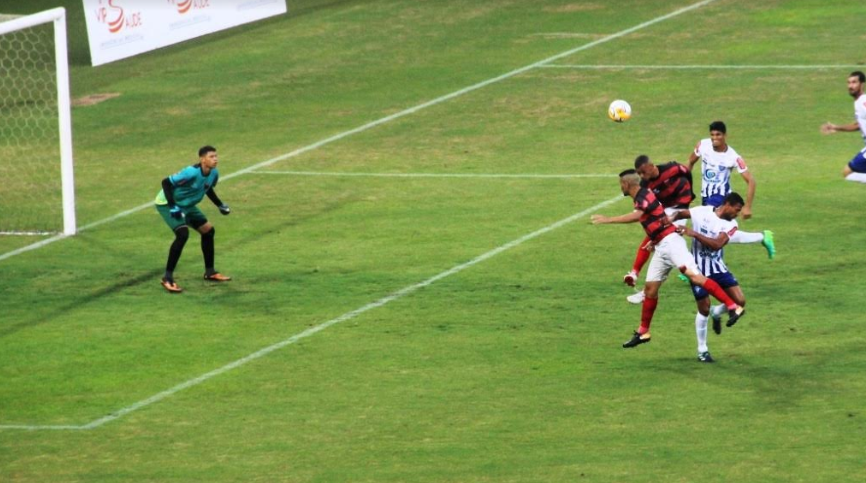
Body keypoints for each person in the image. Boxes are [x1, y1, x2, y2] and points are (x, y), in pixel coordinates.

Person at [591, 168, 745, 349]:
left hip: (671, 243)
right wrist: (654, 240)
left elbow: (639, 216)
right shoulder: (643, 196)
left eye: (621, 184)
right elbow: (656, 218)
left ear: (626, 184)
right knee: (650, 290)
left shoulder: (643, 197)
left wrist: (609, 219)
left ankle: (733, 307)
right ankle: (643, 332)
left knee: (695, 276)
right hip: (661, 245)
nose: (621, 188)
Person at [670, 192, 748, 363]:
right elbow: (680, 213)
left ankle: (717, 312)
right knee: (703, 308)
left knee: (740, 301)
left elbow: (717, 245)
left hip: (717, 267)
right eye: (736, 210)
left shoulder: (731, 225)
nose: (737, 214)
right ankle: (702, 350)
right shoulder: (703, 211)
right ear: (727, 204)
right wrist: (671, 223)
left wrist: (693, 233)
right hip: (696, 269)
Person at [687, 121, 775, 259]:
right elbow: (691, 161)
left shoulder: (733, 157)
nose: (715, 138)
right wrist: (686, 185)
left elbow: (751, 181)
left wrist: (747, 207)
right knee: (715, 233)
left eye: (718, 135)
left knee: (708, 231)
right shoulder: (703, 145)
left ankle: (694, 268)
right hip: (706, 196)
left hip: (720, 197)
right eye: (712, 135)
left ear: (725, 135)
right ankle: (762, 237)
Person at [155, 145, 232, 293]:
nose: (215, 159)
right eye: (211, 157)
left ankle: (210, 272)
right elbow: (166, 182)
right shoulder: (190, 172)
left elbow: (207, 188)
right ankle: (167, 278)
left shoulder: (213, 173)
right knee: (182, 234)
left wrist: (220, 205)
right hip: (168, 203)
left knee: (208, 231)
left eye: (216, 156)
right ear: (202, 159)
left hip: (187, 205)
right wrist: (172, 207)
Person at [621, 155, 694, 304]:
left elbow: (686, 171)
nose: (642, 176)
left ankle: (640, 282)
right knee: (654, 240)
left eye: (643, 172)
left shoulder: (671, 168)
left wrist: (689, 193)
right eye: (639, 173)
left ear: (651, 166)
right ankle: (638, 278)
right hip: (666, 210)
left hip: (679, 209)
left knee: (657, 242)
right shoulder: (645, 184)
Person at [820, 71, 866, 183]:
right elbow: (857, 125)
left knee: (847, 173)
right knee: (847, 172)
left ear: (862, 84)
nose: (851, 86)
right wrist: (836, 128)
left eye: (854, 82)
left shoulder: (863, 102)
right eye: (849, 83)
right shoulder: (858, 102)